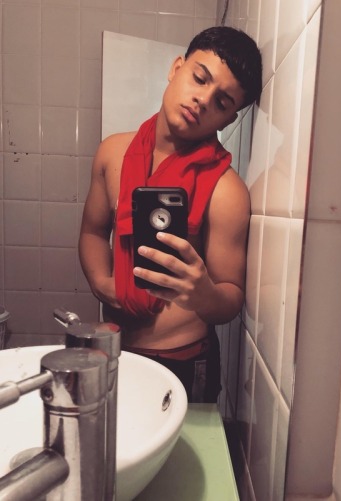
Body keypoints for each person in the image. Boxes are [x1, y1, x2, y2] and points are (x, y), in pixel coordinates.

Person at [79, 26, 262, 403]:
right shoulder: (112, 153)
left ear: (228, 120)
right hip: (116, 350)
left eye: (222, 102)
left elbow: (231, 295)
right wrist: (101, 282)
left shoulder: (227, 191)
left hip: (185, 361)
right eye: (200, 78)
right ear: (176, 68)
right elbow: (93, 233)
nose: (202, 100)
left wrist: (203, 293)